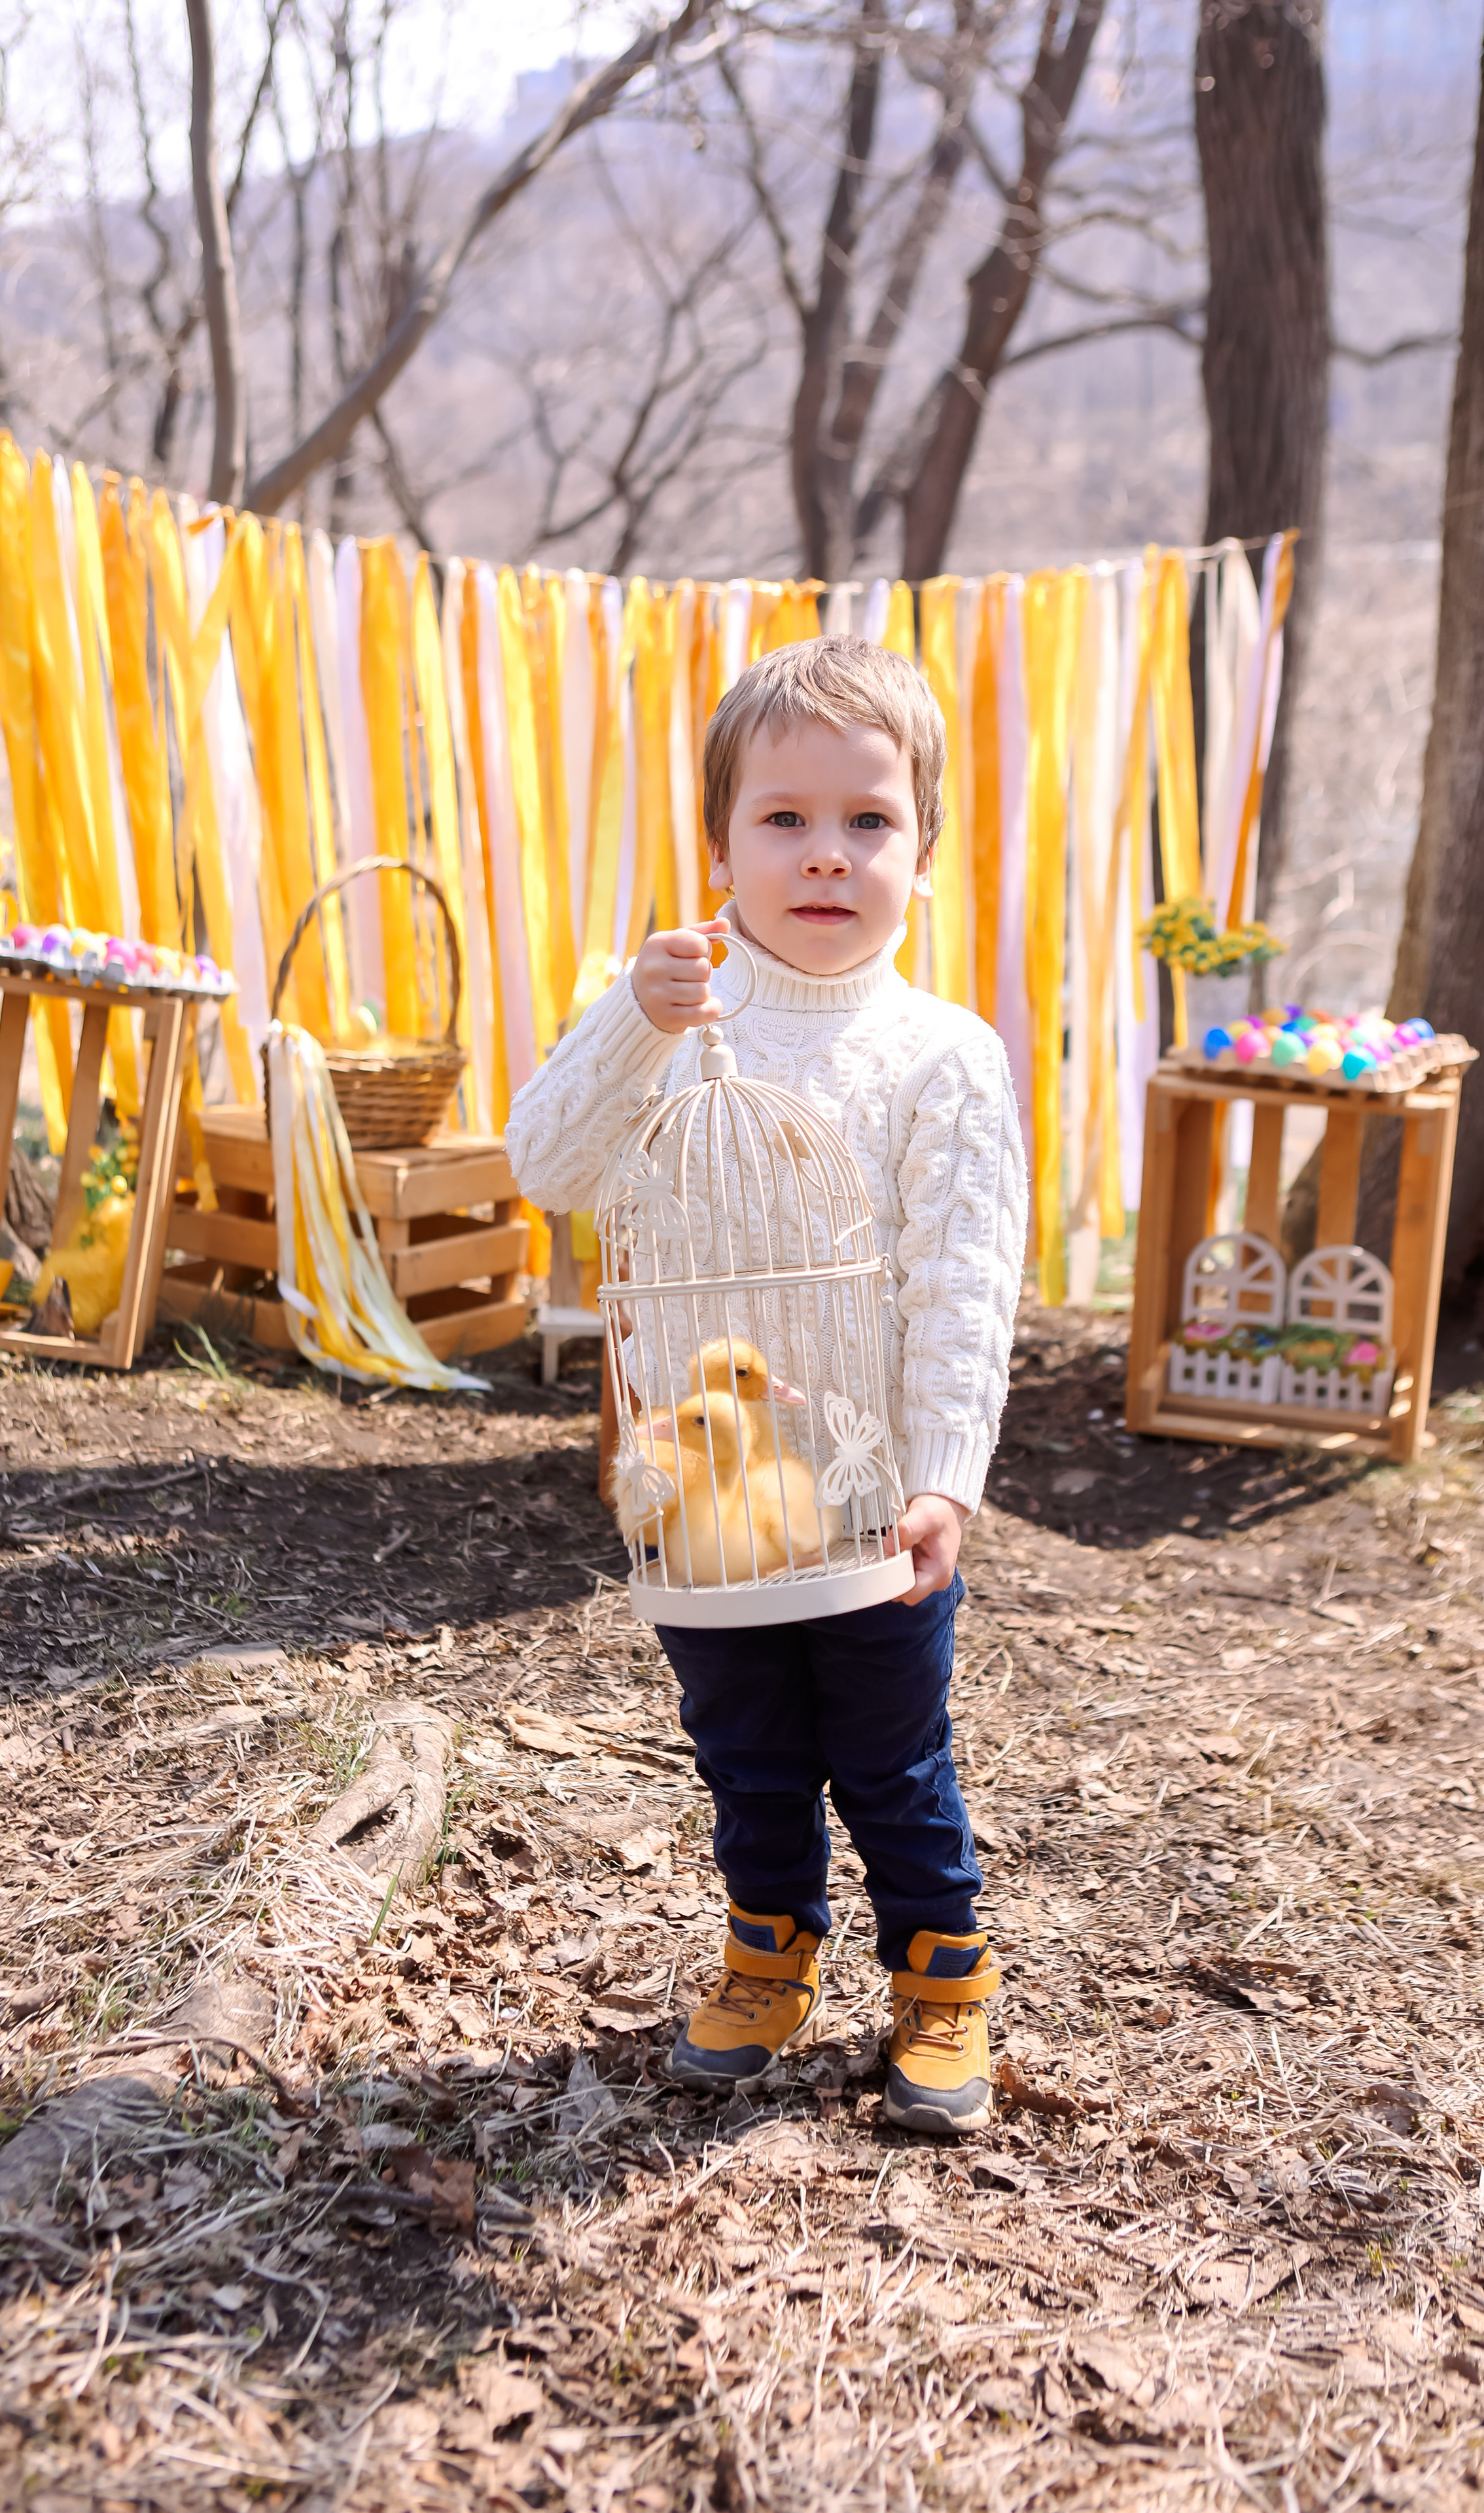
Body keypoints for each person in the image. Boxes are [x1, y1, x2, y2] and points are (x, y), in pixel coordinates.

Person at [504, 636, 1027, 2135]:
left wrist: (942, 1475)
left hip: (869, 1504)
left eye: (868, 820)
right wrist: (628, 1019)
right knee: (744, 1751)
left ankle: (940, 1982)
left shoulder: (940, 1057)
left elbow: (960, 1286)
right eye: (781, 819)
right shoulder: (676, 1028)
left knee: (889, 1757)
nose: (824, 854)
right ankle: (767, 1956)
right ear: (719, 844)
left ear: (923, 847)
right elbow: (547, 1164)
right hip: (706, 1495)